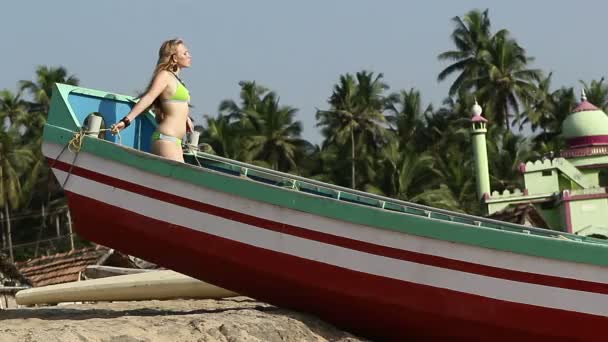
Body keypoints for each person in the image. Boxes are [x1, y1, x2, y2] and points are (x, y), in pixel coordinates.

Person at [111, 38, 194, 162]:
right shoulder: (165, 75)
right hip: (166, 139)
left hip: (176, 141)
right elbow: (149, 97)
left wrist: (186, 118)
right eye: (185, 53)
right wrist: (126, 121)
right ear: (175, 58)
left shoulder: (178, 81)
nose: (189, 56)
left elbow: (175, 105)